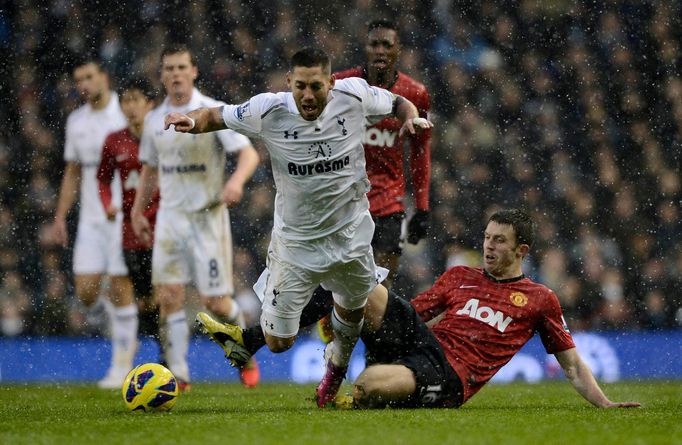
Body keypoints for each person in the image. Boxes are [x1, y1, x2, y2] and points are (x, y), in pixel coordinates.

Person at [166, 47, 433, 407]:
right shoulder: (270, 109)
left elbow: (398, 102)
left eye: (317, 87)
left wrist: (410, 117)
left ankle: (331, 381)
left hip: (351, 236)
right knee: (279, 341)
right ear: (289, 82)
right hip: (296, 245)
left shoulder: (353, 94)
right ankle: (257, 341)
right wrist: (191, 122)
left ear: (331, 81)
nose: (309, 95)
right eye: (301, 86)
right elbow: (217, 115)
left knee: (352, 314)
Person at [199, 209, 641, 409]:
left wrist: (604, 403)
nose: (488, 246)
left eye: (499, 241)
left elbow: (571, 363)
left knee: (370, 385)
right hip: (423, 342)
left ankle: (345, 364)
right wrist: (360, 313)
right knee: (361, 280)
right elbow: (411, 310)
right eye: (486, 237)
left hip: (450, 378)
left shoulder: (540, 299)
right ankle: (253, 339)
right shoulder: (459, 277)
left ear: (521, 249)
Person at [131, 45, 261, 390]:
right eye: (169, 68)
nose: (175, 73)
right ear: (162, 75)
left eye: (181, 67)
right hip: (171, 220)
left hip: (208, 218)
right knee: (168, 296)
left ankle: (243, 352)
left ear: (194, 71)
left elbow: (248, 155)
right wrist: (137, 210)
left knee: (216, 303)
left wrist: (234, 182)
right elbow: (149, 169)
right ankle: (178, 374)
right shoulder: (153, 121)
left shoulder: (210, 112)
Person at [45, 57, 133, 388]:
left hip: (122, 216)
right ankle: (124, 329)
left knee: (120, 288)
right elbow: (72, 172)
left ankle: (120, 365)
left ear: (104, 77)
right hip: (90, 220)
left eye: (89, 77)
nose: (84, 84)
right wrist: (60, 216)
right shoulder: (76, 121)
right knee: (85, 291)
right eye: (79, 79)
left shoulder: (123, 114)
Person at [335, 18, 432, 288]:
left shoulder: (416, 94)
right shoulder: (341, 84)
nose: (380, 50)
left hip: (389, 202)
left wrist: (422, 208)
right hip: (345, 199)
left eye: (386, 45)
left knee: (382, 286)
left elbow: (420, 150)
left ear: (397, 49)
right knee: (339, 283)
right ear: (365, 48)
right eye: (374, 44)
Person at [97, 77, 161, 378]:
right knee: (142, 297)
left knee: (164, 292)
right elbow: (102, 179)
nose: (130, 106)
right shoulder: (113, 140)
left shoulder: (162, 133)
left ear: (149, 104)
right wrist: (108, 202)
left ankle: (168, 356)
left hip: (163, 224)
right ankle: (139, 350)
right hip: (130, 228)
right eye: (125, 100)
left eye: (136, 99)